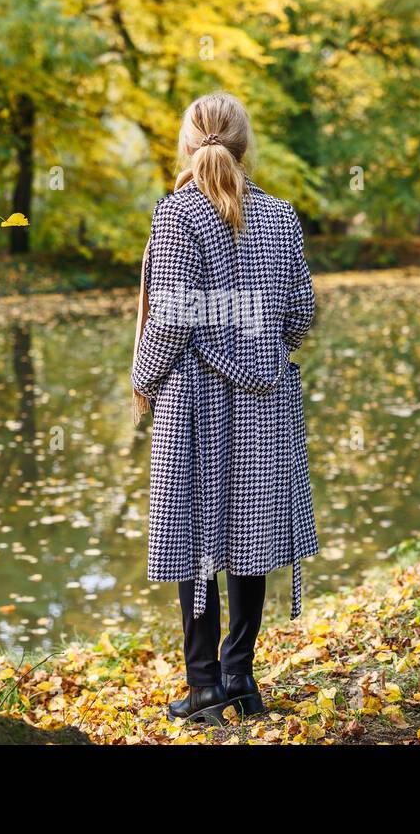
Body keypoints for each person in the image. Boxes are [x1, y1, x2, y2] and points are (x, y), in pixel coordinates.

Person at [131, 90, 317, 724]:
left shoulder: (176, 213)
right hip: (266, 398)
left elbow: (173, 317)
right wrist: (264, 350)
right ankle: (241, 676)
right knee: (251, 536)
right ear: (244, 143)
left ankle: (206, 683)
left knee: (198, 538)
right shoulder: (282, 216)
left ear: (189, 142)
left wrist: (144, 379)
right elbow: (301, 313)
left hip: (194, 399)